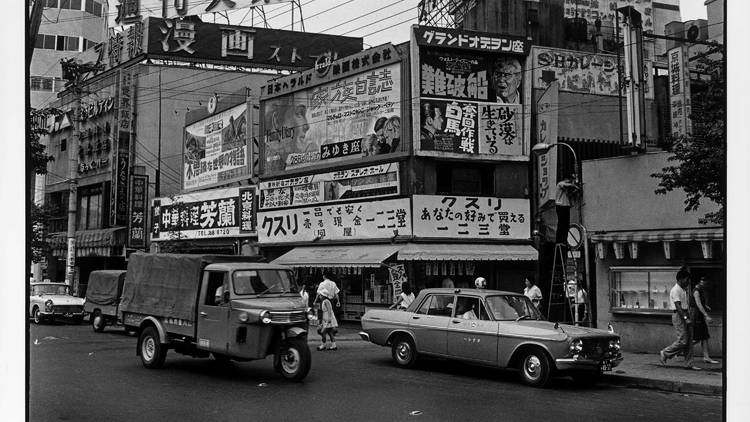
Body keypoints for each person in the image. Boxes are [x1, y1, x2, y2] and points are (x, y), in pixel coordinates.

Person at [659, 268, 700, 370]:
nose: (688, 282)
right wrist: (686, 318)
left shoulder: (683, 289)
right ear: (681, 279)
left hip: (686, 313)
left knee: (689, 341)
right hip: (679, 315)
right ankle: (665, 353)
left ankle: (689, 363)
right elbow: (678, 306)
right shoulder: (675, 290)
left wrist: (689, 315)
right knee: (683, 341)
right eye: (686, 279)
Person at [691, 277, 719, 364]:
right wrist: (706, 315)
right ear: (701, 282)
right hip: (697, 317)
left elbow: (701, 303)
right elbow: (698, 304)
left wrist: (706, 306)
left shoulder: (701, 290)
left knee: (704, 337)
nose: (705, 284)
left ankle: (706, 357)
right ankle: (678, 350)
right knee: (696, 339)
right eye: (703, 282)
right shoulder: (696, 291)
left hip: (699, 316)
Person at [555, 174, 578, 245]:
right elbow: (566, 185)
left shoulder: (565, 190)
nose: (570, 182)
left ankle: (564, 240)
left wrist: (575, 191)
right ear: (565, 179)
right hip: (560, 205)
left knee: (566, 224)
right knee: (561, 223)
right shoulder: (560, 184)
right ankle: (559, 240)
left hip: (566, 206)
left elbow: (569, 196)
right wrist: (574, 185)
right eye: (569, 180)